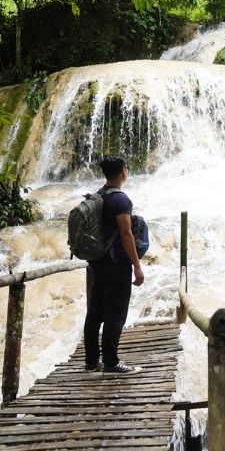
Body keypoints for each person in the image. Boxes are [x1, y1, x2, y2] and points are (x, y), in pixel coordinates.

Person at [83, 154, 145, 373]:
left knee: (95, 312)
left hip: (97, 263)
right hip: (116, 264)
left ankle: (91, 362)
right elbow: (127, 235)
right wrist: (137, 266)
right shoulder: (121, 200)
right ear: (123, 172)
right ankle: (111, 362)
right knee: (115, 313)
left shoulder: (98, 196)